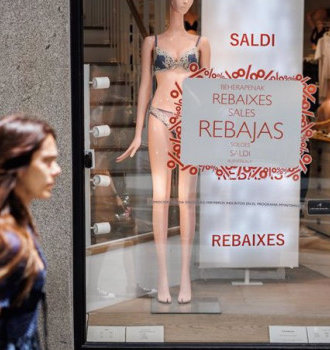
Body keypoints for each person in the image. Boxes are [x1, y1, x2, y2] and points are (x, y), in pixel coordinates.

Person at [116, 0, 210, 304]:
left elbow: (208, 90)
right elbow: (145, 84)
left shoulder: (202, 43)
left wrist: (209, 133)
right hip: (158, 116)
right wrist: (137, 131)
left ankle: (184, 275)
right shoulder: (151, 42)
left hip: (191, 121)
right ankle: (162, 277)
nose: (184, 1)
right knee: (160, 197)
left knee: (186, 199)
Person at [0, 113, 61, 349]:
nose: (56, 170)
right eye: (47, 161)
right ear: (18, 166)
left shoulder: (16, 223)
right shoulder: (6, 242)